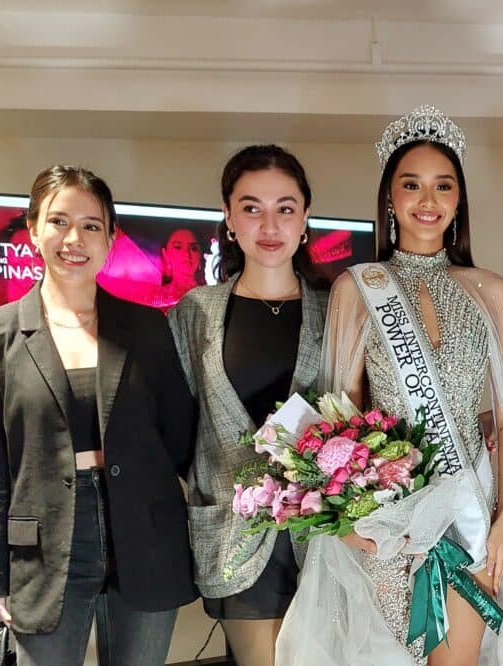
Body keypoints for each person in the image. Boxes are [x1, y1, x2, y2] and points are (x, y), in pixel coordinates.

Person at [277, 105, 503, 665]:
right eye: (412, 185)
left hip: (472, 512)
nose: (427, 201)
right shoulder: (358, 290)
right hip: (390, 521)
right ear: (390, 198)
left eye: (443, 186)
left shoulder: (491, 292)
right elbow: (342, 417)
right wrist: (355, 520)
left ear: (458, 200)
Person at [0, 165, 196, 665]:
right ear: (33, 229)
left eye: (91, 225)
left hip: (144, 535)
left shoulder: (147, 328)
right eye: (58, 221)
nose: (74, 238)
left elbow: (182, 441)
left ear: (110, 238)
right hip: (45, 548)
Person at [168, 145, 329, 666]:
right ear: (230, 219)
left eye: (285, 207)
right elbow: (172, 426)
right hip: (236, 536)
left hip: (326, 535)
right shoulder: (196, 312)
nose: (269, 224)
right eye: (251, 207)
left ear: (305, 218)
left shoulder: (339, 308)